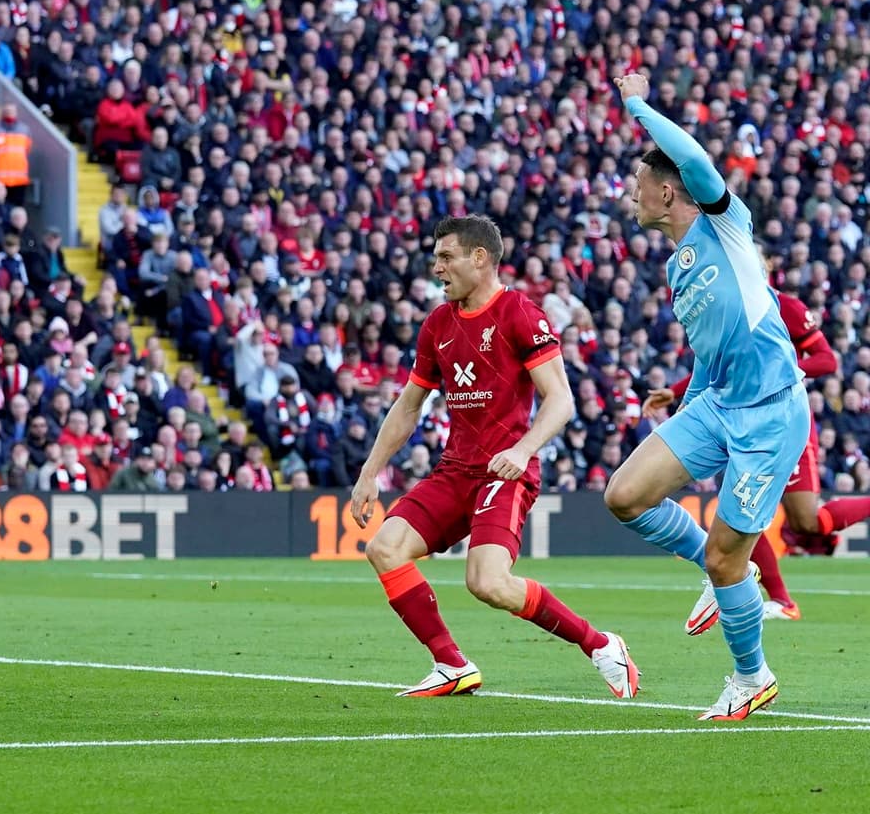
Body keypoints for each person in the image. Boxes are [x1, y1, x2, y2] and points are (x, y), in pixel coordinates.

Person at [350, 215, 639, 699]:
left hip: (503, 473)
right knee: (383, 548)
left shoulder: (520, 314)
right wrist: (369, 473)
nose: (437, 267)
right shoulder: (438, 324)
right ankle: (451, 665)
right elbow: (408, 404)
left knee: (487, 583)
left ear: (478, 258)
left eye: (446, 257)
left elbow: (561, 400)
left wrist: (522, 450)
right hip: (454, 470)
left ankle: (601, 645)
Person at [604, 74, 809, 721]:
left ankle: (752, 676)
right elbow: (712, 342)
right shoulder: (676, 264)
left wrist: (636, 104)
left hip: (771, 411)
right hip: (717, 401)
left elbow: (693, 158)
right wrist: (685, 392)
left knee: (726, 555)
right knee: (624, 495)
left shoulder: (727, 225)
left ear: (668, 192)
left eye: (639, 185)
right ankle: (731, 575)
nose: (632, 195)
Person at [643, 283, 868, 621]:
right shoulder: (729, 309)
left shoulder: (785, 306)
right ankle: (782, 601)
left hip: (783, 420)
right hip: (740, 421)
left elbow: (826, 358)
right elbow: (716, 366)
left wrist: (778, 372)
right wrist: (675, 392)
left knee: (808, 521)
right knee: (738, 508)